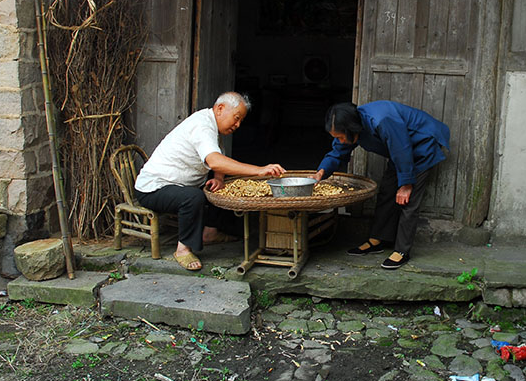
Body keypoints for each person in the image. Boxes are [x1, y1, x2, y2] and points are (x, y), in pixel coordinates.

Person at [135, 91, 285, 271]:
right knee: (193, 197)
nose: (237, 125)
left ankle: (210, 233)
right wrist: (259, 170)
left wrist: (219, 178)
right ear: (220, 109)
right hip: (153, 189)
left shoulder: (212, 125)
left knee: (218, 189)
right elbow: (214, 160)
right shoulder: (202, 126)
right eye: (236, 118)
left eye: (240, 121)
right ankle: (183, 249)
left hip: (178, 186)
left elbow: (217, 156)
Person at [312, 101, 450, 269]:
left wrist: (406, 184)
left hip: (422, 144)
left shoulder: (382, 120)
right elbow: (338, 150)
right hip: (400, 152)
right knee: (387, 191)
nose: (340, 140)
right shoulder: (353, 126)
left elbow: (401, 148)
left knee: (408, 200)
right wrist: (321, 172)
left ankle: (402, 251)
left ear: (352, 129)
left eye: (341, 136)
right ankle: (378, 239)